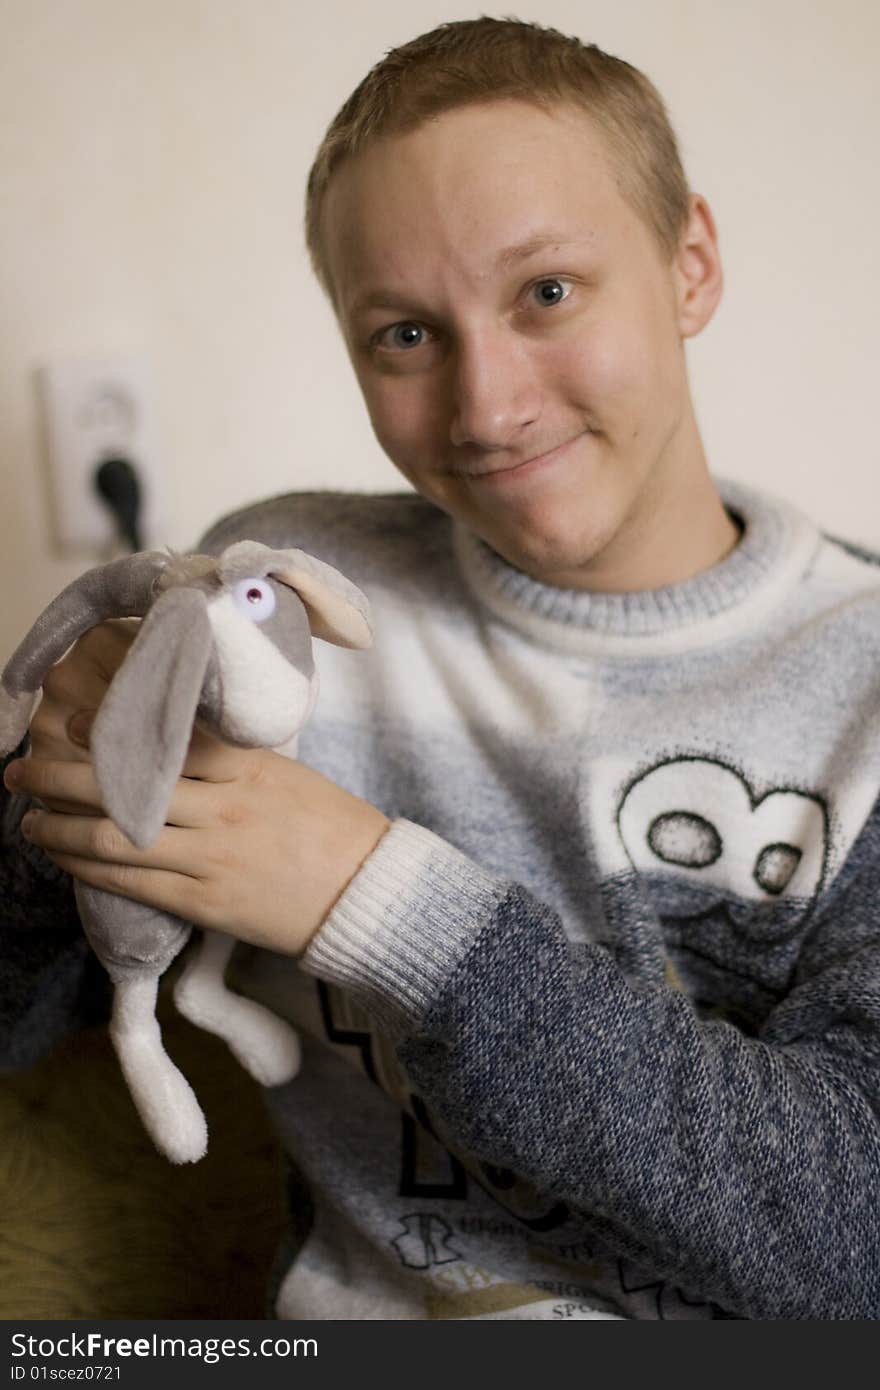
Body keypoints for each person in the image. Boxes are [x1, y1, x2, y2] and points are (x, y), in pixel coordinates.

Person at [2, 16, 879, 1320]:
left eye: (547, 293)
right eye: (404, 336)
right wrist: (47, 791)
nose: (486, 406)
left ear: (690, 264)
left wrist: (364, 891)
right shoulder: (287, 600)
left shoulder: (859, 682)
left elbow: (851, 1238)